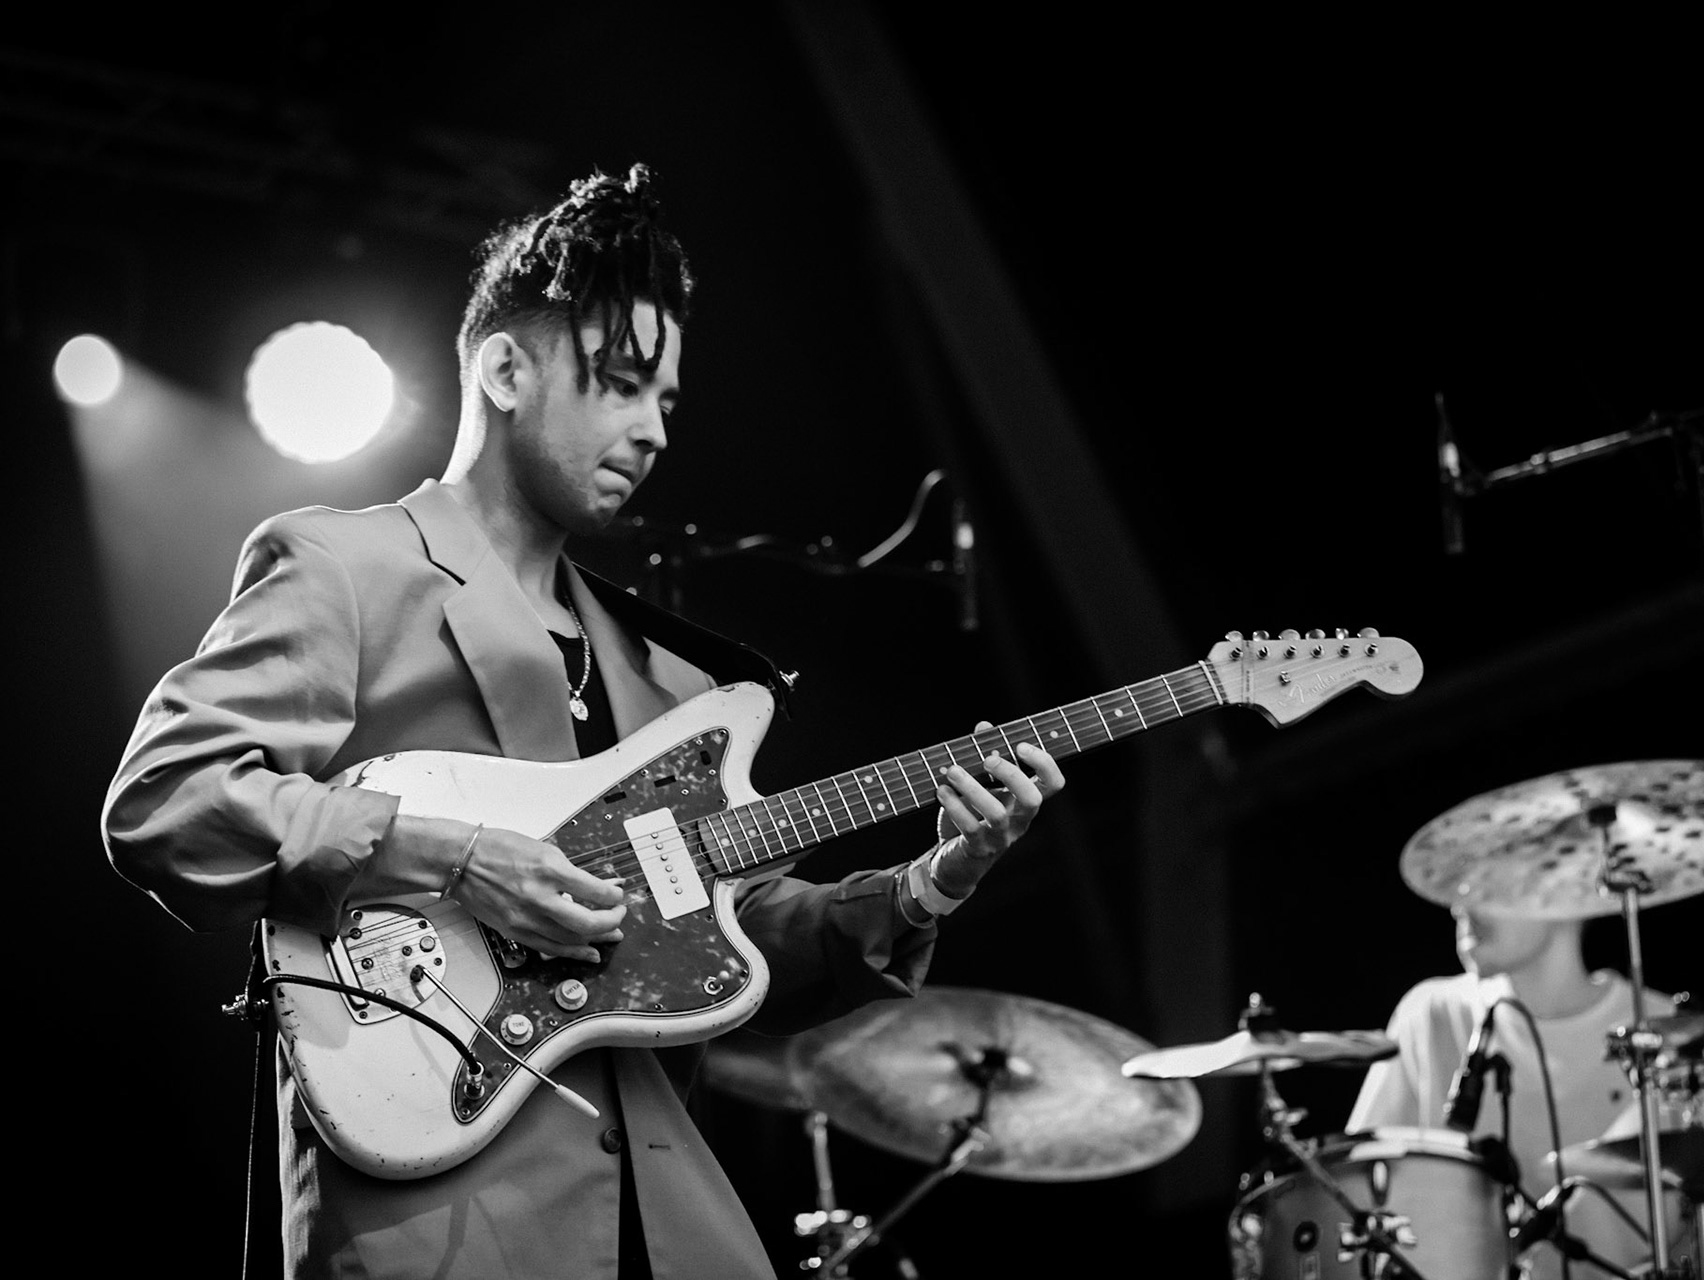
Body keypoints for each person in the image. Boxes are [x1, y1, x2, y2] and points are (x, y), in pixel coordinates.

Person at [101, 162, 1065, 1280]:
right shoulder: (345, 565)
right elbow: (168, 797)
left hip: (673, 1218)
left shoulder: (675, 684)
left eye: (666, 401)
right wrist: (456, 856)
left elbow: (742, 949)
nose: (653, 430)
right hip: (439, 1206)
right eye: (618, 382)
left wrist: (931, 882)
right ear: (505, 367)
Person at [1347, 906, 1704, 1279]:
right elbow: (1349, 1196)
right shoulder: (1431, 1013)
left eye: (1496, 877)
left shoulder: (1674, 1034)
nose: (1461, 902)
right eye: (1461, 879)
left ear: (1565, 886)